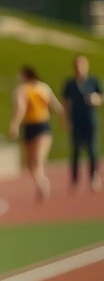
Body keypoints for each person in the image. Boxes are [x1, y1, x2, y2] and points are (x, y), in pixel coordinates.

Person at [9, 65, 67, 201]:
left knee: (38, 159)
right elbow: (21, 108)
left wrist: (64, 118)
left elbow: (54, 105)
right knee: (29, 164)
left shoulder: (41, 88)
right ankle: (41, 180)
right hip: (28, 126)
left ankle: (42, 183)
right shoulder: (22, 90)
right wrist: (16, 124)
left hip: (42, 125)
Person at [62, 54, 102, 192]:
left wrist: (96, 99)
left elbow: (101, 97)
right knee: (76, 151)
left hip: (90, 120)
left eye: (82, 65)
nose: (80, 68)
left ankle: (93, 176)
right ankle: (74, 180)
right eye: (77, 65)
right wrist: (66, 119)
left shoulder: (93, 81)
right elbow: (66, 103)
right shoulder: (70, 84)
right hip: (76, 120)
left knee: (92, 149)